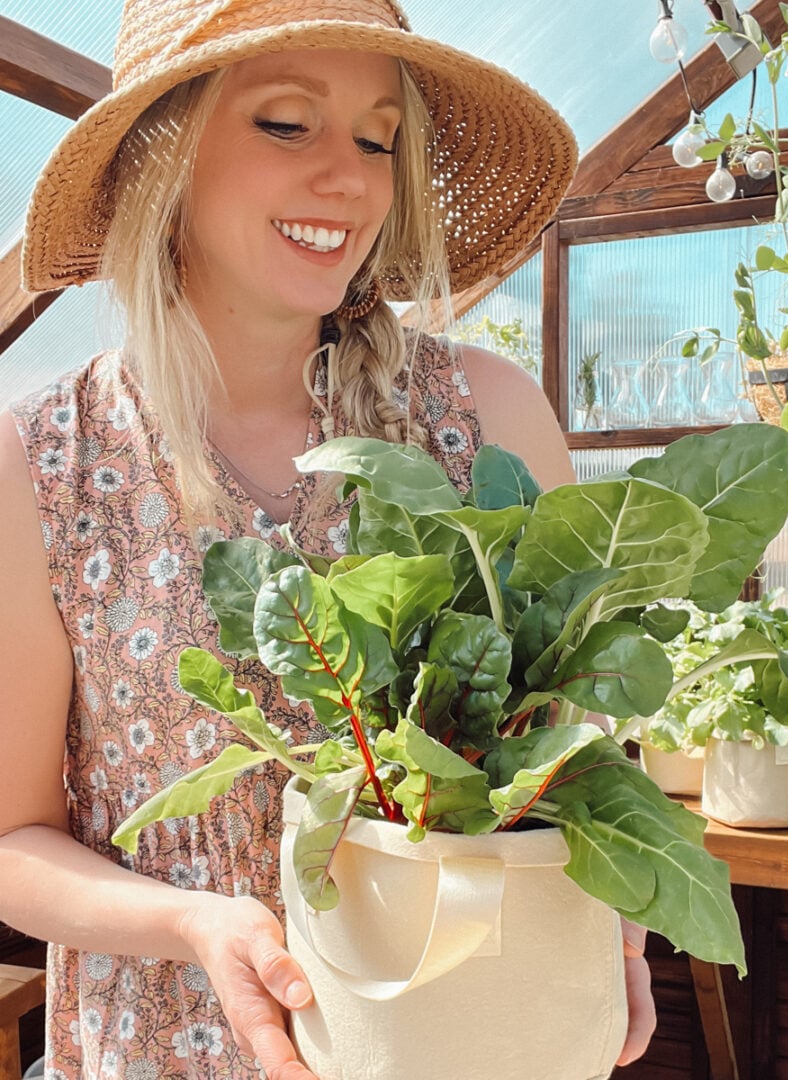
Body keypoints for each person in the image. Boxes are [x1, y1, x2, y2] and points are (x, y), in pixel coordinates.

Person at [0, 2, 655, 1077]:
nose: (348, 178)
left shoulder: (486, 420)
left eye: (378, 137)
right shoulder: (44, 464)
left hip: (453, 1036)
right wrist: (194, 925)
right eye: (286, 124)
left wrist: (611, 907)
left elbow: (571, 761)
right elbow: (10, 840)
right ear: (163, 154)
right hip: (168, 1049)